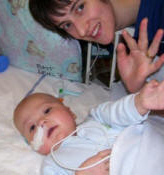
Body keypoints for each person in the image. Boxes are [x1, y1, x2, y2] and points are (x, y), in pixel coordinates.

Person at [13, 79, 164, 175]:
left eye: (47, 111)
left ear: (70, 112)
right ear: (33, 145)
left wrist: (139, 103)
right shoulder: (53, 164)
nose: (41, 122)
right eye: (32, 128)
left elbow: (120, 111)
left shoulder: (97, 116)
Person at [28, 0, 164, 93]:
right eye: (67, 25)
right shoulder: (118, 43)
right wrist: (139, 89)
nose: (81, 31)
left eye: (80, 7)